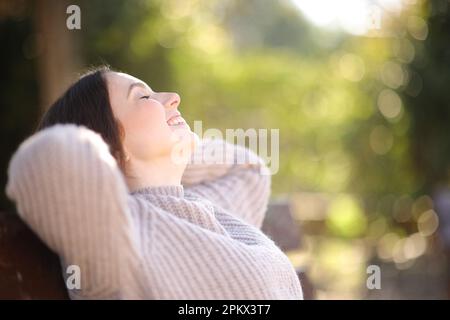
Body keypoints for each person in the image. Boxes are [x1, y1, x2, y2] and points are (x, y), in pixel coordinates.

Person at [6, 66, 303, 299]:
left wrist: (178, 152)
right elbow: (41, 160)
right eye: (144, 97)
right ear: (106, 146)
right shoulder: (112, 238)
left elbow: (249, 170)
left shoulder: (205, 210)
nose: (173, 97)